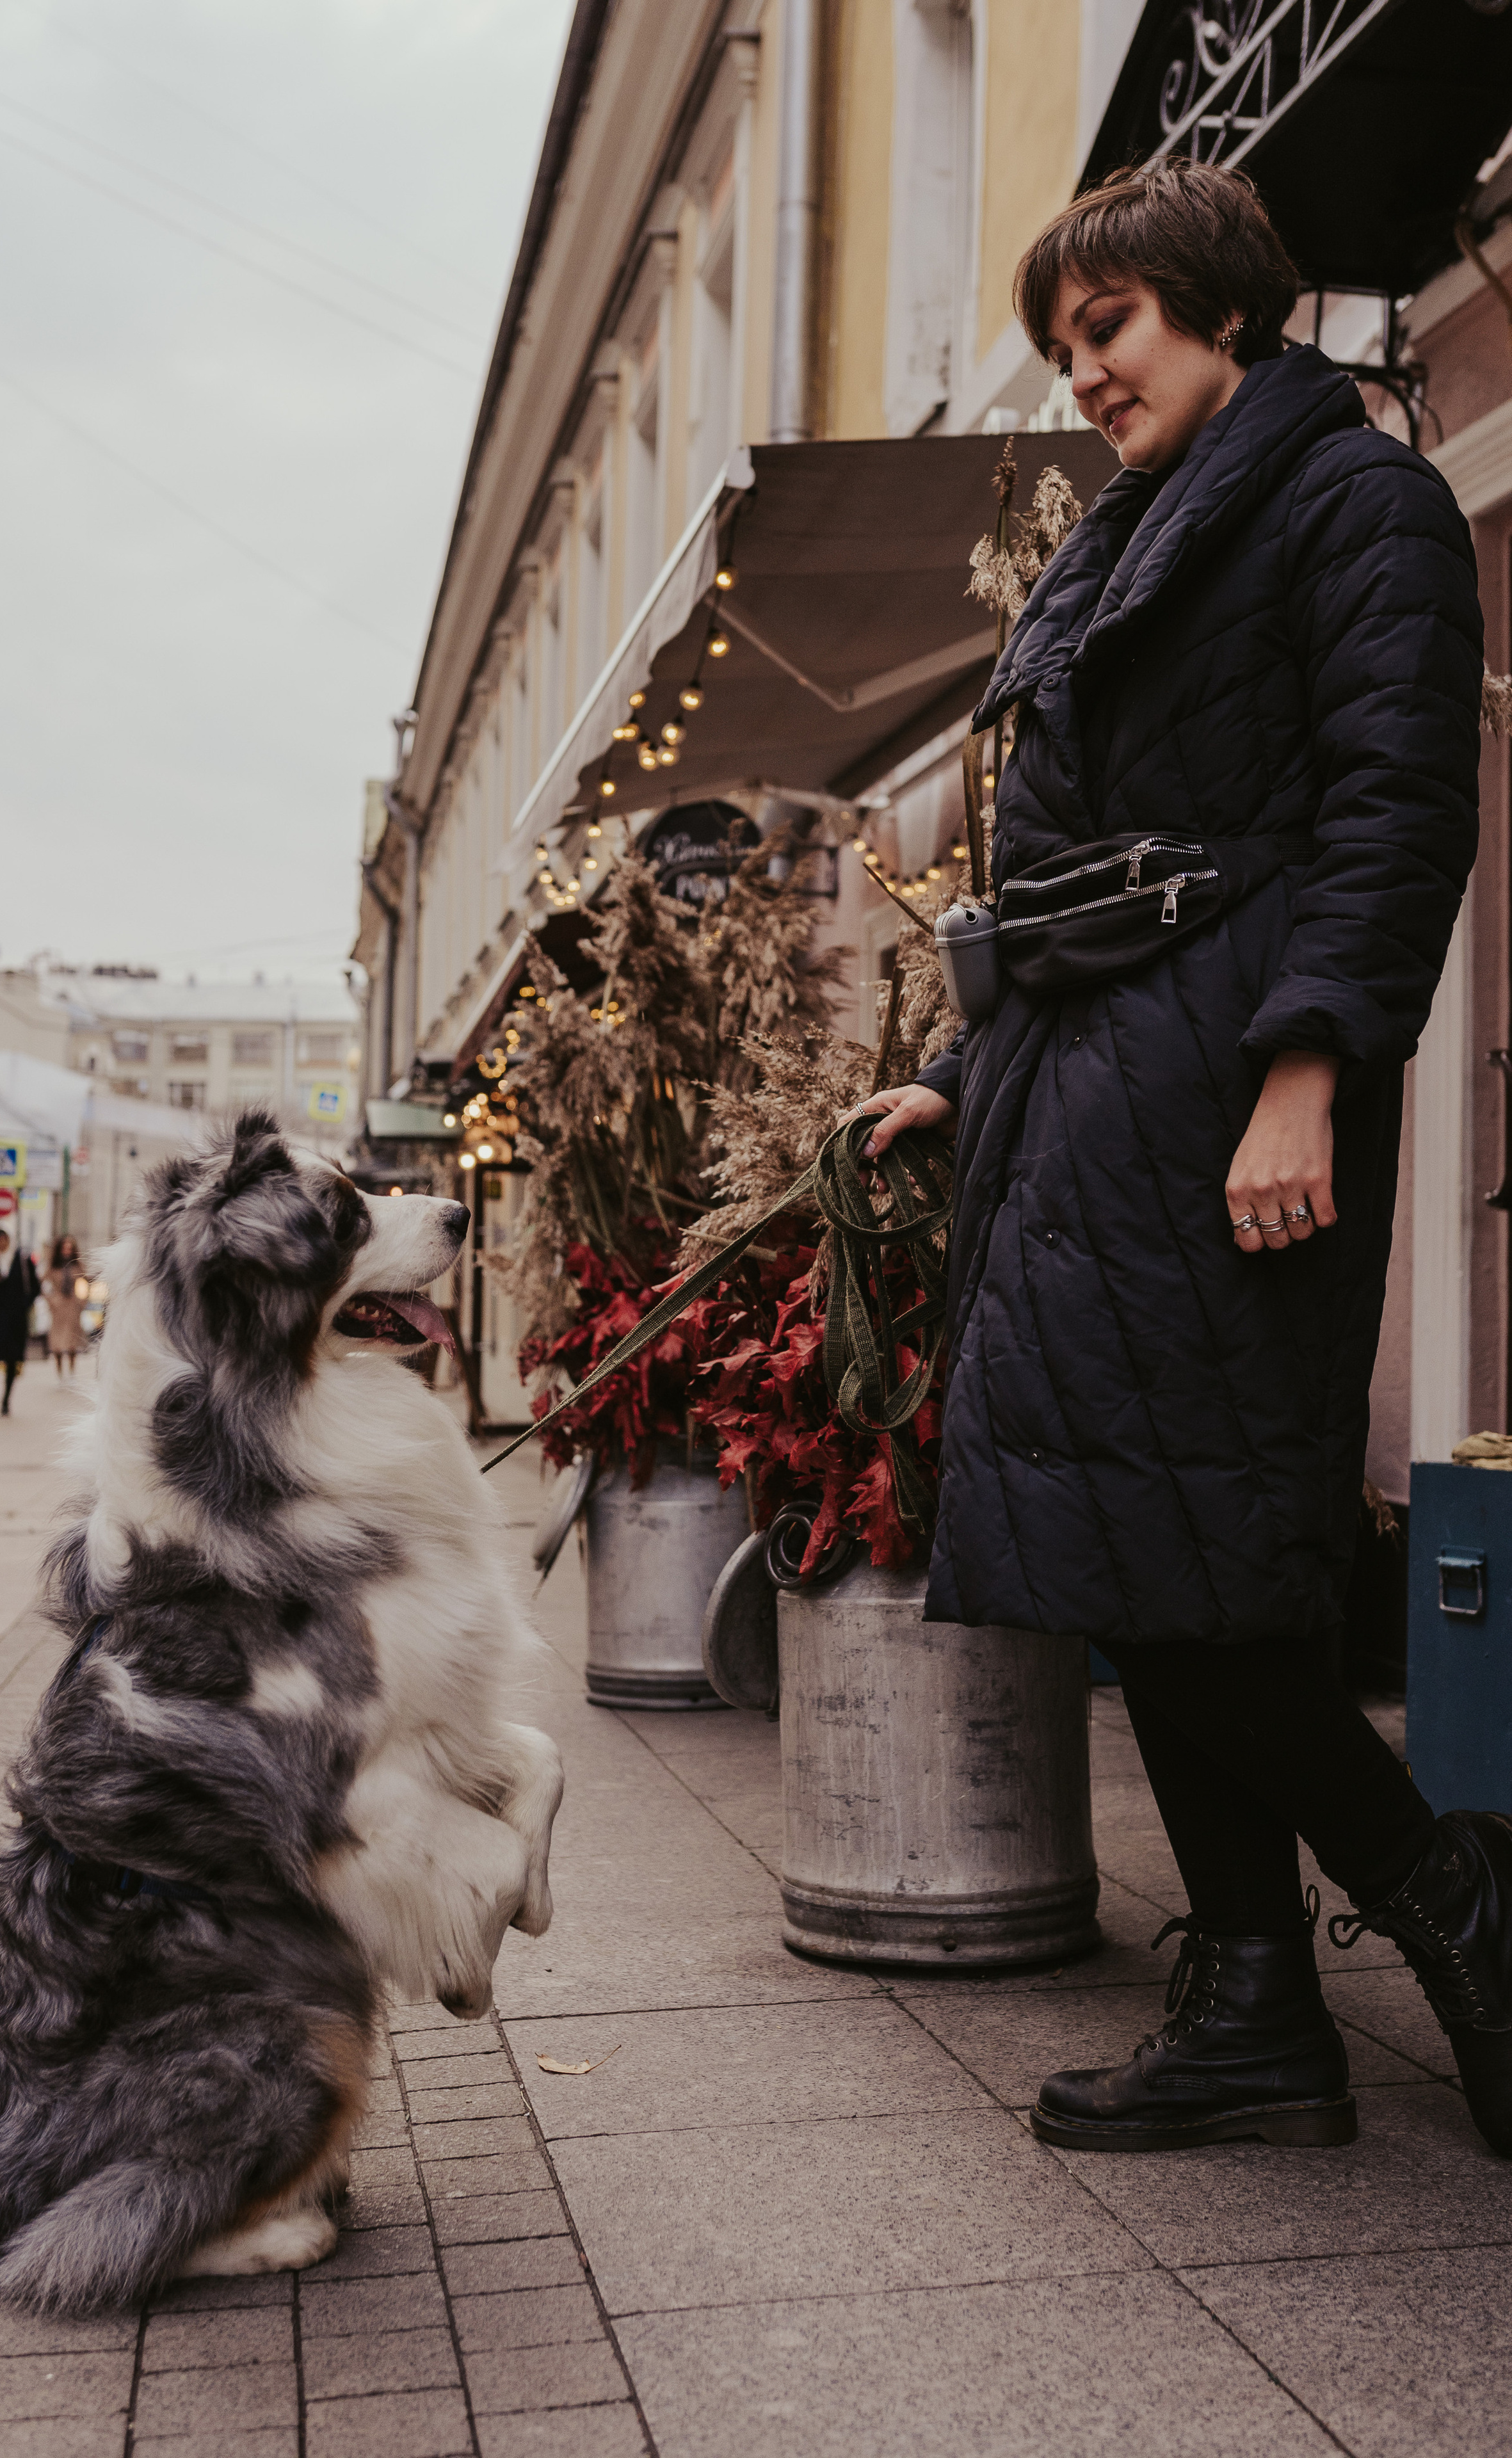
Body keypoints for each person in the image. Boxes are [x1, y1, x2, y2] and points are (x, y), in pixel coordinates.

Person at [858, 159, 1505, 2157]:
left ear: (1227, 308)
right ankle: (1249, 1993)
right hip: (1087, 1090)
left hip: (1231, 1088)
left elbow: (1397, 810)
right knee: (1144, 1544)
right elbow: (1061, 875)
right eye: (1065, 346)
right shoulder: (1130, 533)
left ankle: (1434, 1886)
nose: (1086, 377)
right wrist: (965, 1073)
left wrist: (1306, 1067)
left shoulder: (1361, 502)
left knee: (1195, 1545)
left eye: (1111, 329)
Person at [0, 1230, 39, 1418]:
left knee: (12, 1361)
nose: (2, 1244)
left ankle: (5, 1401)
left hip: (15, 1320)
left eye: (5, 1241)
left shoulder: (23, 1261)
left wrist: (23, 1306)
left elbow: (35, 1288)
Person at [44, 1234, 86, 1378]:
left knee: (72, 1342)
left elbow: (87, 1280)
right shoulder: (54, 1266)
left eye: (70, 1248)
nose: (67, 1250)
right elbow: (43, 1283)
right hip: (59, 1307)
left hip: (73, 1306)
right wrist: (51, 1300)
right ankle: (60, 1372)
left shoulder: (77, 1265)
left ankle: (72, 1372)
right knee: (57, 1342)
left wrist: (83, 1301)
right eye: (65, 1247)